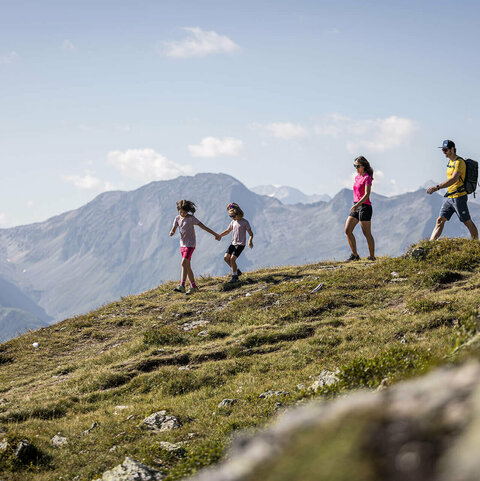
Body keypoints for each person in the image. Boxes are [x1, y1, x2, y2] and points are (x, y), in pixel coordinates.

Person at [427, 140, 478, 240]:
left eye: (445, 150)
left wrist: (437, 187)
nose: (444, 152)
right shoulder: (451, 162)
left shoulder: (459, 162)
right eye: (443, 150)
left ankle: (476, 242)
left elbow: (453, 179)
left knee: (467, 221)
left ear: (452, 149)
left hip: (459, 197)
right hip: (450, 197)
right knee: (440, 220)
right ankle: (430, 243)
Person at [169, 200, 221, 294]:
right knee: (187, 266)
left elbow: (203, 227)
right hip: (182, 245)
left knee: (183, 263)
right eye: (180, 211)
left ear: (188, 211)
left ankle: (182, 285)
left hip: (190, 244)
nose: (182, 213)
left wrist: (215, 234)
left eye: (184, 212)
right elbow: (174, 228)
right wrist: (172, 232)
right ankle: (193, 287)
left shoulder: (191, 218)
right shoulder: (177, 218)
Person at [344, 156, 376, 261]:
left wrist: (357, 204)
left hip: (365, 207)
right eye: (355, 166)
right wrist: (356, 205)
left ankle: (372, 257)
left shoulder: (367, 178)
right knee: (347, 230)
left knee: (366, 233)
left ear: (363, 166)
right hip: (356, 206)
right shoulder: (357, 177)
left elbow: (367, 194)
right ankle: (355, 255)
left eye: (357, 166)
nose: (356, 168)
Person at [218, 203, 254, 282]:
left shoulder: (245, 222)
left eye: (233, 216)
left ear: (238, 214)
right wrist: (220, 235)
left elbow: (251, 234)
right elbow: (228, 231)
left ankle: (235, 277)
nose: (232, 218)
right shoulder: (233, 222)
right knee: (226, 258)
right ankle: (236, 271)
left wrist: (250, 241)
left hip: (240, 244)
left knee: (232, 259)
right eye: (230, 216)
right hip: (233, 243)